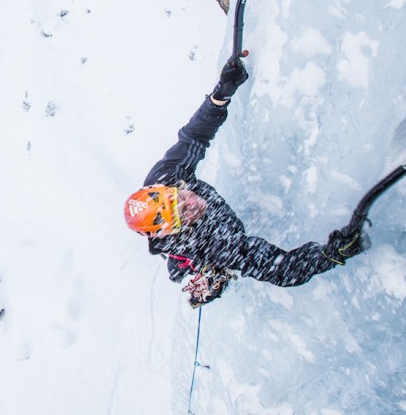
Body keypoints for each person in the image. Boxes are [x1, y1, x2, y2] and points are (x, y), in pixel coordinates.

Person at [123, 56, 368, 307]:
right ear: (177, 229)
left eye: (180, 197)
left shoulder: (167, 176)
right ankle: (202, 283)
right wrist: (330, 255)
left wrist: (220, 96)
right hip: (202, 252)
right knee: (197, 271)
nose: (191, 201)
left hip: (197, 235)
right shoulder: (213, 245)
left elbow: (195, 136)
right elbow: (277, 269)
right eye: (183, 213)